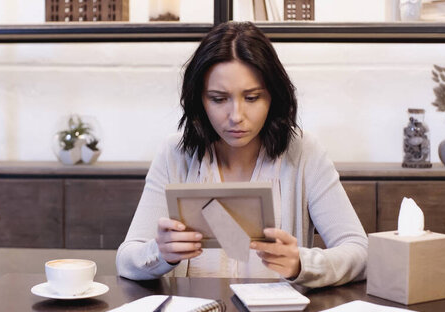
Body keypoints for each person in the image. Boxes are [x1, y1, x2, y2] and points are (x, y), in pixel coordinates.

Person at [116, 22, 367, 288]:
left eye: (252, 98)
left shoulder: (304, 153)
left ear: (273, 97)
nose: (236, 116)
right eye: (218, 98)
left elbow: (360, 252)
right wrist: (160, 253)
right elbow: (126, 258)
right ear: (199, 101)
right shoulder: (175, 154)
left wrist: (301, 263)